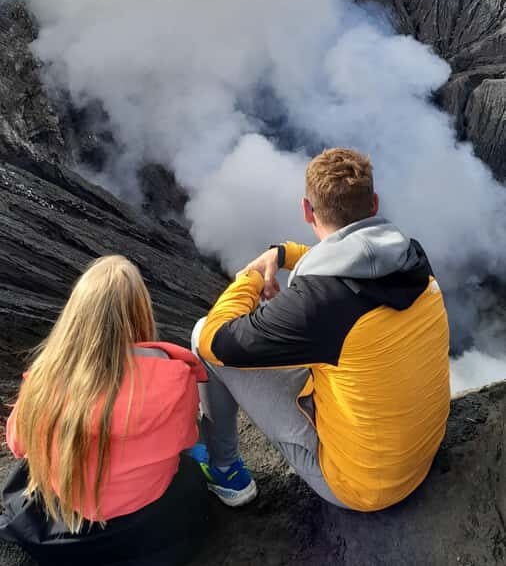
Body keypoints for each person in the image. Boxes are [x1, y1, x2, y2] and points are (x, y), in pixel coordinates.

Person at [191, 147, 450, 511]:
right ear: (373, 204)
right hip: (419, 454)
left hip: (363, 488)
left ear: (307, 210)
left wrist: (250, 277)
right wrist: (284, 254)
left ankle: (226, 473)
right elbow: (353, 257)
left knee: (201, 333)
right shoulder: (410, 256)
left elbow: (215, 341)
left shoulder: (320, 306)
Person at [0, 255, 209, 566]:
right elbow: (187, 438)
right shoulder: (175, 377)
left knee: (26, 474)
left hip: (66, 534)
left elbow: (18, 444)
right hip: (150, 533)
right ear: (140, 310)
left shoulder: (42, 384)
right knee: (190, 472)